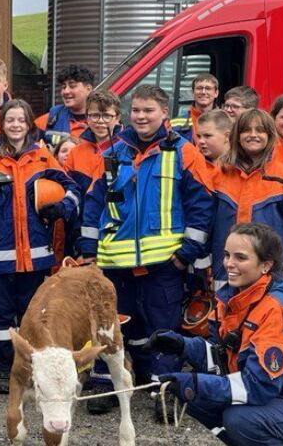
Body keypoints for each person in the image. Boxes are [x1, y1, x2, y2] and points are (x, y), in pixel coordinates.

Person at [77, 85, 212, 411]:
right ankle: (107, 385)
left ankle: (164, 392)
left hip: (164, 264)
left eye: (148, 110)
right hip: (115, 264)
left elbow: (202, 205)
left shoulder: (185, 152)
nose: (141, 116)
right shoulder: (111, 153)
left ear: (164, 113)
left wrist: (186, 254)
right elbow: (93, 203)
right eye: (136, 110)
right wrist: (88, 249)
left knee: (162, 330)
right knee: (114, 326)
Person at [153, 223, 283, 446]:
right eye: (226, 255)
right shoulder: (233, 298)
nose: (228, 264)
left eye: (240, 258)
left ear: (265, 265)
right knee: (198, 397)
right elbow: (223, 359)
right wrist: (182, 346)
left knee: (239, 419)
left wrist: (195, 383)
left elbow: (258, 387)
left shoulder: (277, 311)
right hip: (281, 398)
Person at [0, 99, 78, 394]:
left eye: (21, 120)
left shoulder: (42, 159)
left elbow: (72, 188)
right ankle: (5, 370)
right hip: (0, 256)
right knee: (2, 317)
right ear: (1, 125)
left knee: (33, 315)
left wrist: (62, 207)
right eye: (10, 120)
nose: (15, 125)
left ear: (30, 125)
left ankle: (33, 367)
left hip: (37, 255)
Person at [202, 109, 283, 292]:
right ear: (237, 136)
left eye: (260, 130)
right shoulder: (220, 174)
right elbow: (206, 225)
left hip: (272, 277)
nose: (253, 135)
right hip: (226, 275)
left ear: (270, 135)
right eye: (246, 130)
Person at [36, 64, 95, 140]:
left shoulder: (103, 121)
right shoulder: (50, 118)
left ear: (88, 89)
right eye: (63, 87)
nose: (66, 91)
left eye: (72, 86)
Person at [171, 73, 219, 140]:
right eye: (199, 88)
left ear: (216, 93)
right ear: (193, 93)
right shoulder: (174, 125)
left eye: (208, 88)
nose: (203, 92)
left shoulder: (226, 123)